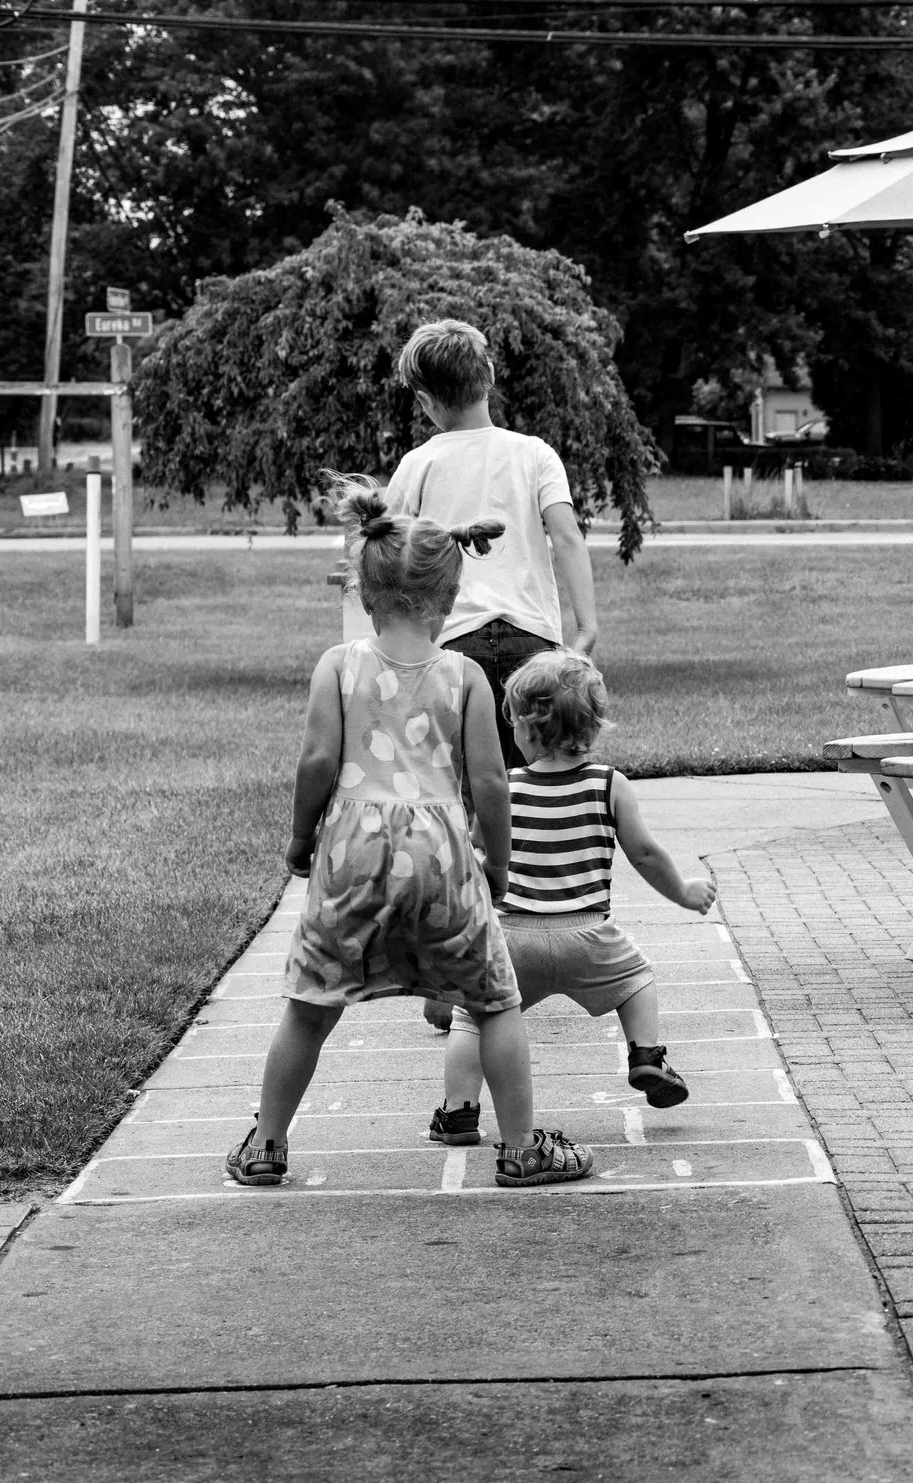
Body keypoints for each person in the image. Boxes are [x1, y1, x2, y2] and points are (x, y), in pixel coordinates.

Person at [227, 484, 594, 1190]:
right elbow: (489, 783)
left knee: (310, 1004)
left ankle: (267, 1144)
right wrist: (499, 862)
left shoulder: (339, 665)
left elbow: (316, 763)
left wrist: (301, 840)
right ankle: (521, 1147)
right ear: (450, 600)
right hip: (441, 850)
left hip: (352, 850)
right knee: (493, 1000)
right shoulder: (466, 676)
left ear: (366, 596)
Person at [428, 651, 717, 1148]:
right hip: (589, 935)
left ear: (526, 728)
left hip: (513, 936)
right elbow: (646, 854)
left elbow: (476, 856)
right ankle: (646, 1054)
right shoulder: (610, 786)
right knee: (638, 981)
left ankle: (458, 1113)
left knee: (472, 1020)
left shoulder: (508, 790)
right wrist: (685, 892)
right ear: (593, 726)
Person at [386, 319, 598, 770]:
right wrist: (586, 627)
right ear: (491, 376)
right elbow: (567, 538)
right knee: (536, 774)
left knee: (466, 780)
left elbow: (391, 556)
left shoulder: (416, 464)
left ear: (424, 400)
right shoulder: (535, 453)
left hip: (452, 641)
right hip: (534, 641)